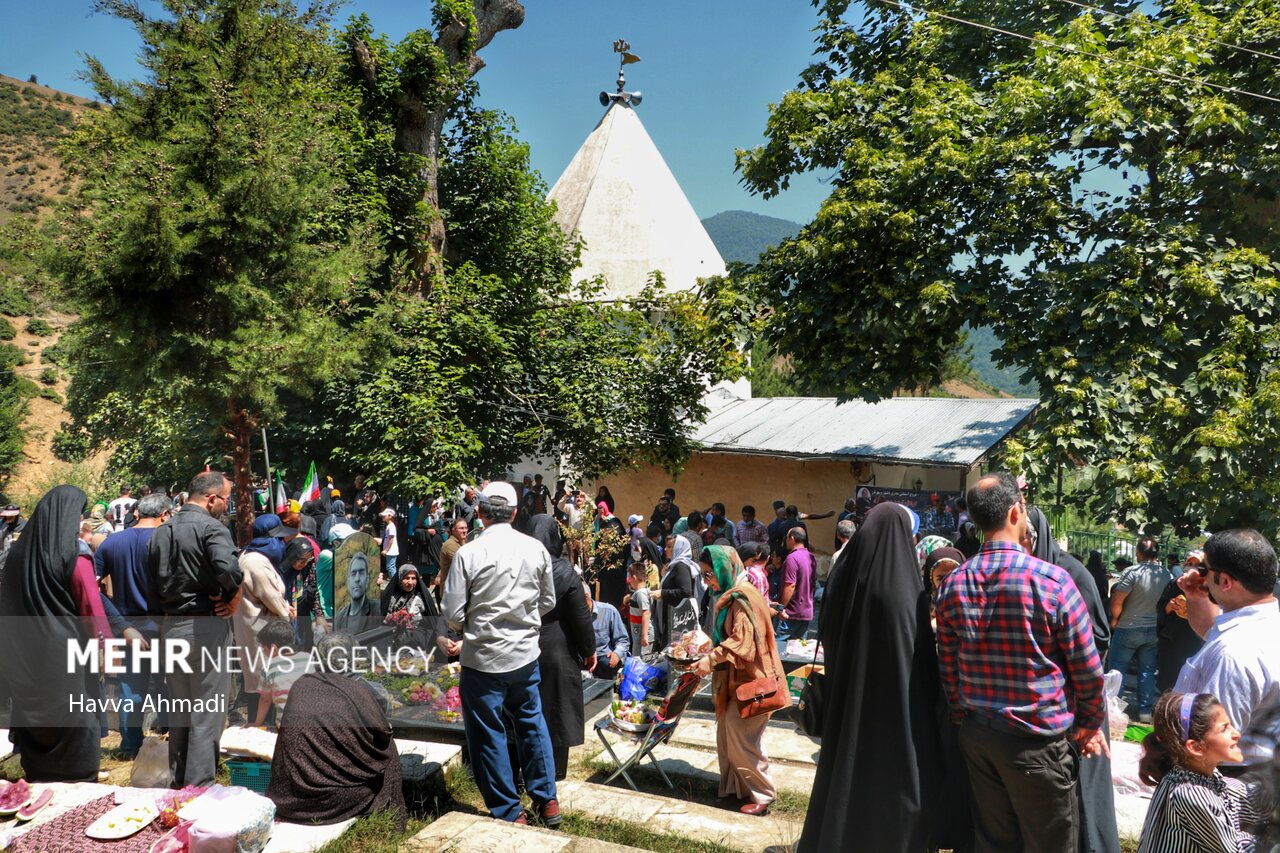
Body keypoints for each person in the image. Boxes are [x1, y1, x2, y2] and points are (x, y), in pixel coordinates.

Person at [935, 473, 1107, 853]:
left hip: (980, 737)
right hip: (1037, 743)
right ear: (1017, 511)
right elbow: (1088, 671)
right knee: (1051, 843)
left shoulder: (952, 584)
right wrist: (1089, 724)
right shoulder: (1054, 583)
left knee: (995, 841)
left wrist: (965, 717)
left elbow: (949, 670)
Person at [797, 502, 946, 852]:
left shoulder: (843, 577)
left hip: (848, 704)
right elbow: (918, 659)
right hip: (896, 714)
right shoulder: (901, 591)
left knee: (846, 783)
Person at [443, 481, 560, 826]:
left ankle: (510, 811)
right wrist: (521, 622)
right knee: (531, 723)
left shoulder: (469, 553)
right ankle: (547, 800)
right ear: (514, 513)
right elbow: (547, 601)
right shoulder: (535, 549)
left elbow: (452, 613)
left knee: (488, 734)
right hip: (524, 656)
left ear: (479, 513)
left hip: (482, 659)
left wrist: (478, 625)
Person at [0, 485, 112, 782]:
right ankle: (77, 792)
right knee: (76, 725)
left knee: (37, 726)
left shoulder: (17, 556)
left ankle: (40, 791)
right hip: (66, 659)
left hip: (23, 659)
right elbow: (91, 609)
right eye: (78, 514)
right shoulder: (75, 556)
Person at [1028, 507, 1120, 853]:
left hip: (1082, 699)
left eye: (1027, 537)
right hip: (1055, 705)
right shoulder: (1032, 574)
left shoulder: (1070, 573)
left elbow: (1099, 637)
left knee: (1086, 791)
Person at [147, 470, 242, 788]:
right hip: (204, 629)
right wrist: (231, 599)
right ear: (211, 498)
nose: (227, 507)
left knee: (180, 711)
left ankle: (179, 784)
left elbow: (150, 586)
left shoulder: (161, 531)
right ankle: (199, 788)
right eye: (226, 500)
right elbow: (229, 570)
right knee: (206, 711)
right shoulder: (212, 528)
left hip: (171, 628)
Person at [266, 632, 406, 828]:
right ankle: (392, 818)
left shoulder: (301, 685)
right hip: (338, 800)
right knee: (389, 750)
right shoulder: (359, 689)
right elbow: (383, 733)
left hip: (291, 797)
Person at [691, 545, 787, 816]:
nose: (707, 582)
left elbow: (742, 643)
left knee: (740, 735)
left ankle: (764, 793)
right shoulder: (729, 594)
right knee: (727, 734)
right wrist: (708, 646)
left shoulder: (743, 597)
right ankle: (737, 789)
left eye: (709, 574)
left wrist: (710, 659)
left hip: (753, 683)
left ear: (723, 568)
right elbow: (728, 637)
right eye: (704, 576)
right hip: (736, 681)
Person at [1175, 528, 1280, 770]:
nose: (1199, 576)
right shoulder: (1260, 626)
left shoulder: (1233, 653)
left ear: (1225, 581)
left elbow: (1211, 744)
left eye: (1204, 569)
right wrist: (1197, 598)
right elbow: (1212, 633)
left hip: (1222, 782)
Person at [95, 492, 172, 757]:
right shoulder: (168, 541)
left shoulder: (111, 543)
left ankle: (130, 747)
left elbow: (93, 589)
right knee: (170, 686)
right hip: (165, 628)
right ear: (164, 514)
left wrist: (118, 623)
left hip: (127, 629)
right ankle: (168, 740)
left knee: (130, 690)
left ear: (137, 513)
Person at [1135, 691, 1257, 852]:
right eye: (1224, 729)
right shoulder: (1190, 793)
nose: (1236, 734)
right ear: (1196, 747)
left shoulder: (1202, 777)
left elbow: (1249, 804)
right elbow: (1235, 850)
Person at [529, 515, 596, 780]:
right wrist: (589, 649)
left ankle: (524, 767)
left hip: (523, 643)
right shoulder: (564, 570)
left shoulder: (518, 564)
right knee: (557, 707)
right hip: (558, 644)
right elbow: (580, 616)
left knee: (526, 707)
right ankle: (555, 769)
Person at [1109, 536, 1175, 723]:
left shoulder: (1132, 572)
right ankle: (1145, 711)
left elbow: (1117, 600)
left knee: (1117, 670)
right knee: (1147, 671)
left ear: (1138, 553)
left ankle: (1113, 708)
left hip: (1128, 627)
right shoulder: (1167, 575)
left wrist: (1114, 619)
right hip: (1153, 630)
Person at [234, 523, 295, 721]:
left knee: (260, 681)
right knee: (262, 685)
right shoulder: (255, 562)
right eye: (279, 539)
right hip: (261, 631)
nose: (282, 543)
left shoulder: (252, 556)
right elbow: (270, 595)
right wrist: (286, 612)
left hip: (256, 627)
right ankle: (259, 730)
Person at [1157, 551, 1205, 693]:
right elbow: (1161, 606)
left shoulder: (1206, 587)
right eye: (1190, 564)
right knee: (1169, 680)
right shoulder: (1175, 584)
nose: (1192, 567)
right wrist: (1169, 606)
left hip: (1195, 641)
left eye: (1197, 565)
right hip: (1173, 639)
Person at [657, 533, 698, 647]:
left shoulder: (681, 566)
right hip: (671, 615)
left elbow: (685, 591)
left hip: (677, 618)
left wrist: (662, 593)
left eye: (669, 547)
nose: (665, 549)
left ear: (678, 548)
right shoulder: (673, 565)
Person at [381, 565, 435, 651]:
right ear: (399, 579)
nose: (410, 582)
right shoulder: (389, 596)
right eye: (406, 578)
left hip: (414, 642)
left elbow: (431, 623)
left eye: (413, 578)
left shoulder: (422, 598)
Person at [777, 527, 816, 642]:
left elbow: (790, 586)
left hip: (791, 613)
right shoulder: (811, 557)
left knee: (780, 651)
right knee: (799, 653)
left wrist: (781, 608)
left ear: (792, 538)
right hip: (806, 612)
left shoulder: (792, 558)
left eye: (787, 538)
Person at [587, 585, 630, 680]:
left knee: (607, 664)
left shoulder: (608, 611)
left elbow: (623, 640)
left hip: (602, 655)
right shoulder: (571, 615)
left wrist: (617, 653)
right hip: (583, 656)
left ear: (586, 596)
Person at [335, 551, 381, 634]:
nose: (357, 579)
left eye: (361, 573)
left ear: (367, 580)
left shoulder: (377, 609)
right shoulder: (340, 617)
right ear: (348, 581)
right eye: (353, 573)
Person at [627, 562, 654, 658]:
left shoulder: (640, 594)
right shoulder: (641, 593)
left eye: (629, 577)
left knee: (640, 664)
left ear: (634, 577)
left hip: (642, 637)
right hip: (638, 636)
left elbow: (646, 613)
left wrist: (644, 635)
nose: (629, 580)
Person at [437, 517, 469, 597]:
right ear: (453, 530)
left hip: (459, 590)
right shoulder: (450, 544)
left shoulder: (463, 542)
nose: (464, 531)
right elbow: (465, 563)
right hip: (451, 592)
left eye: (466, 528)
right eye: (461, 528)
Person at [380, 507, 400, 580]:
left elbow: (391, 539)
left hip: (391, 551)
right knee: (390, 567)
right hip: (390, 551)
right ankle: (394, 582)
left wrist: (386, 550)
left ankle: (395, 583)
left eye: (385, 515)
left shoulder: (391, 526)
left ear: (390, 516)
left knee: (390, 567)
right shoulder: (389, 525)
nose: (383, 517)